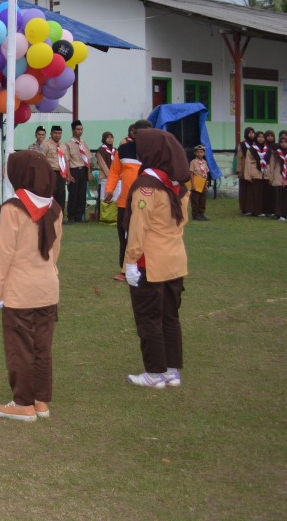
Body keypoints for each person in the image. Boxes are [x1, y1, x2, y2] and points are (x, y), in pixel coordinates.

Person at [0, 151, 63, 422]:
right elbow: (55, 251)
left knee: (20, 347)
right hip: (47, 288)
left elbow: (3, 254)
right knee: (42, 346)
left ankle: (23, 403)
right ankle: (41, 400)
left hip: (20, 291)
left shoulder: (12, 209)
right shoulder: (55, 207)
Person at [123, 128, 190, 389]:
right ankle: (171, 370)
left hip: (149, 262)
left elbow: (139, 228)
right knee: (170, 317)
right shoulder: (178, 184)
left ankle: (155, 371)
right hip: (174, 259)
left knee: (149, 318)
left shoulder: (147, 186)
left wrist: (130, 261)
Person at [105, 120, 151, 280]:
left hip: (146, 202)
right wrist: (109, 190)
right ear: (133, 133)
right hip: (125, 202)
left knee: (144, 236)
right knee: (124, 236)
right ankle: (125, 270)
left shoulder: (154, 151)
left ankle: (145, 268)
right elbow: (114, 173)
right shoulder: (123, 150)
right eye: (141, 133)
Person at [63, 120, 91, 222]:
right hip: (74, 170)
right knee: (73, 194)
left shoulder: (83, 143)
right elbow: (67, 160)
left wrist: (89, 173)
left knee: (82, 193)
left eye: (81, 129)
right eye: (77, 129)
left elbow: (87, 159)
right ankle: (71, 215)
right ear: (73, 130)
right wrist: (69, 175)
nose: (79, 131)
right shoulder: (68, 144)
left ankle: (79, 216)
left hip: (83, 170)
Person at [41, 124, 68, 218]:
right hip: (51, 172)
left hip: (61, 173)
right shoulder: (45, 144)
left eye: (59, 133)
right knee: (52, 194)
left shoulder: (63, 145)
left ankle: (60, 215)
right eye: (55, 133)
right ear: (51, 133)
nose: (57, 135)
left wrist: (68, 174)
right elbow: (41, 159)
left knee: (61, 194)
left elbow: (66, 160)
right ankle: (50, 216)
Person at [269, 132, 287, 221]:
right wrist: (271, 178)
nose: (283, 144)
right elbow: (272, 166)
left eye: (285, 142)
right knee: (279, 197)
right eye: (281, 142)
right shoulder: (275, 153)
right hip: (278, 177)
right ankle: (280, 214)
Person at [236, 127, 258, 216]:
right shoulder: (242, 144)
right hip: (244, 168)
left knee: (254, 189)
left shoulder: (257, 144)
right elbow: (239, 158)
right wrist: (239, 170)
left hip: (254, 169)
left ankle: (254, 207)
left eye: (253, 132)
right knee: (245, 190)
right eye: (249, 133)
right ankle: (245, 208)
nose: (251, 134)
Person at [94, 131, 116, 221]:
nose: (110, 139)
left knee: (115, 196)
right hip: (105, 177)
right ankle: (103, 216)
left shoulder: (115, 150)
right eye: (108, 137)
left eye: (111, 137)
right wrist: (111, 175)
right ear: (104, 139)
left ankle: (113, 216)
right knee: (104, 196)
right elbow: (102, 164)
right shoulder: (101, 150)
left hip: (115, 178)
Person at [189, 144, 210, 221]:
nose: (199, 153)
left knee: (202, 199)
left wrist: (206, 184)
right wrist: (193, 184)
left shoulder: (205, 162)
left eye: (201, 152)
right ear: (195, 153)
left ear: (204, 153)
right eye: (197, 152)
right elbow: (191, 173)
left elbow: (206, 173)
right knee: (195, 199)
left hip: (203, 182)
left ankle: (201, 214)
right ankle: (195, 215)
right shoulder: (193, 162)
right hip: (196, 182)